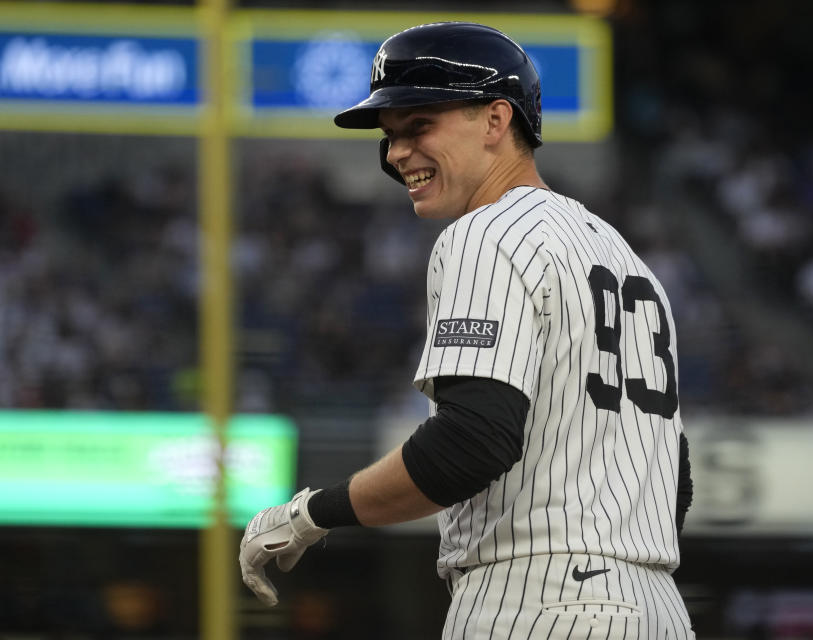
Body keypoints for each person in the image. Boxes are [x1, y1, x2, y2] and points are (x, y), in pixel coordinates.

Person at [240, 22, 695, 639]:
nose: (398, 153)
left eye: (418, 125)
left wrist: (309, 514)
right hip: (658, 608)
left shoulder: (486, 233)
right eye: (390, 138)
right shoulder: (621, 255)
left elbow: (470, 443)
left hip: (540, 600)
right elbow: (676, 477)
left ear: (495, 120)